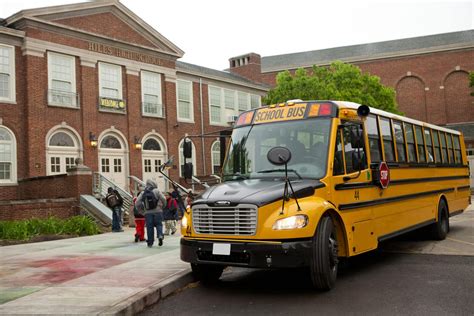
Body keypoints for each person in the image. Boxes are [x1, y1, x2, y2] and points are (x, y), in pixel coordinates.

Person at [135, 179, 166, 247]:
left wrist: (142, 211)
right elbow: (164, 199)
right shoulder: (157, 191)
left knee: (149, 227)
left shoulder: (143, 192)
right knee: (159, 224)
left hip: (148, 213)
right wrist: (163, 206)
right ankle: (160, 235)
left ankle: (150, 242)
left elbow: (137, 202)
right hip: (158, 211)